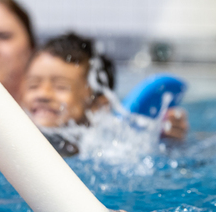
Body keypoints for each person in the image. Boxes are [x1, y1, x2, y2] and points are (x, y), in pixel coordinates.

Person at [20, 32, 189, 140]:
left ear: (98, 105)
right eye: (33, 86)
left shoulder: (108, 149)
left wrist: (165, 140)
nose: (43, 94)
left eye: (60, 87)